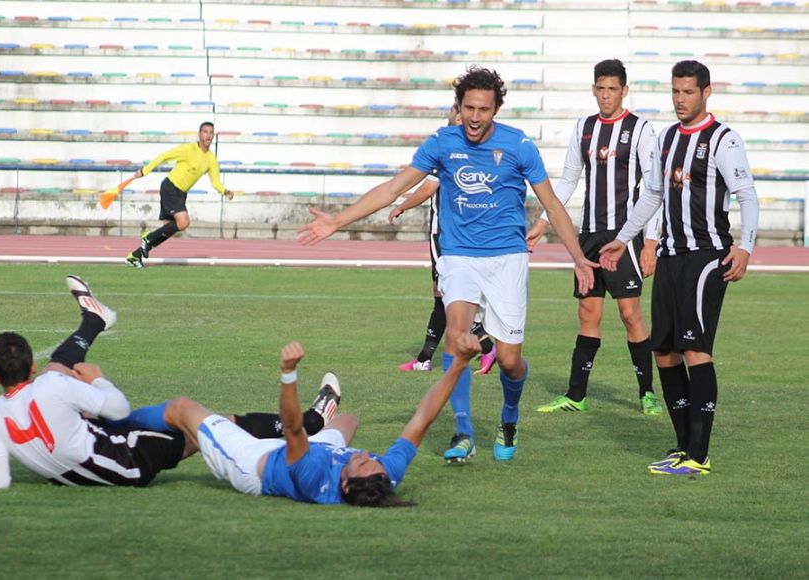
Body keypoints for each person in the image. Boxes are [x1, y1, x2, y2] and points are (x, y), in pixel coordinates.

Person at [299, 66, 597, 464]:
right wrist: (337, 220)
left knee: (509, 360)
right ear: (458, 107)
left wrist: (577, 257)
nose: (475, 117)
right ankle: (463, 432)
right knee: (457, 338)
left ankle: (509, 416)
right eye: (469, 107)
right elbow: (392, 188)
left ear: (496, 110)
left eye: (484, 109)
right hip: (459, 255)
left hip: (506, 258)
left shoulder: (519, 146)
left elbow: (552, 204)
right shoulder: (441, 143)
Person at [0, 277, 340, 488]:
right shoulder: (48, 386)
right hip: (129, 462)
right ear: (29, 368)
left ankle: (95, 320)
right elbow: (118, 410)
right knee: (194, 417)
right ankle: (307, 427)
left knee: (69, 381)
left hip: (95, 446)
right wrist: (99, 380)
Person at [600, 60, 759, 476]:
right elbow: (651, 196)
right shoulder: (667, 138)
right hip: (670, 258)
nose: (680, 100)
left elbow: (746, 194)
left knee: (694, 350)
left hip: (707, 257)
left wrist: (745, 247)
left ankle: (699, 455)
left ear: (706, 93)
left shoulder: (724, 139)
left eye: (688, 92)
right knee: (665, 353)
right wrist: (623, 237)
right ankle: (681, 447)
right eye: (675, 92)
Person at [158, 332, 483, 506]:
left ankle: (135, 455)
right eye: (372, 459)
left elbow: (291, 428)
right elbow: (422, 420)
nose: (366, 454)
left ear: (345, 483)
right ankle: (318, 420)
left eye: (361, 462)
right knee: (347, 420)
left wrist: (288, 374)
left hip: (257, 463)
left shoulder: (313, 476)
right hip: (313, 448)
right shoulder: (384, 477)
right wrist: (458, 364)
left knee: (182, 408)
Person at [526, 59, 663, 415]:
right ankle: (576, 395)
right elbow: (569, 180)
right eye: (600, 89)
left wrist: (650, 242)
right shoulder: (584, 128)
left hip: (625, 237)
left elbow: (654, 189)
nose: (605, 95)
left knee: (630, 314)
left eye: (612, 89)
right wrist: (543, 222)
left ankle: (646, 392)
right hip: (589, 236)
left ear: (624, 91)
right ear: (593, 89)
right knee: (588, 312)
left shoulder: (640, 130)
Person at [389, 104, 497, 375]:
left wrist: (403, 205)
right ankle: (425, 357)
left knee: (447, 295)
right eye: (457, 110)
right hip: (452, 235)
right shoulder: (451, 148)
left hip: (445, 236)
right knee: (441, 297)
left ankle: (485, 346)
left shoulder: (453, 152)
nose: (458, 116)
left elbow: (429, 188)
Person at [125, 121, 235, 268]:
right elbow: (164, 156)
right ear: (199, 134)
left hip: (181, 193)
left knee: (168, 229)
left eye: (211, 133)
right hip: (170, 187)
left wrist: (225, 191)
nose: (208, 135)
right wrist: (145, 170)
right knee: (183, 222)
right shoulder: (188, 149)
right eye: (205, 132)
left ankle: (135, 256)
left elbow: (215, 182)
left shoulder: (211, 159)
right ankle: (147, 238)